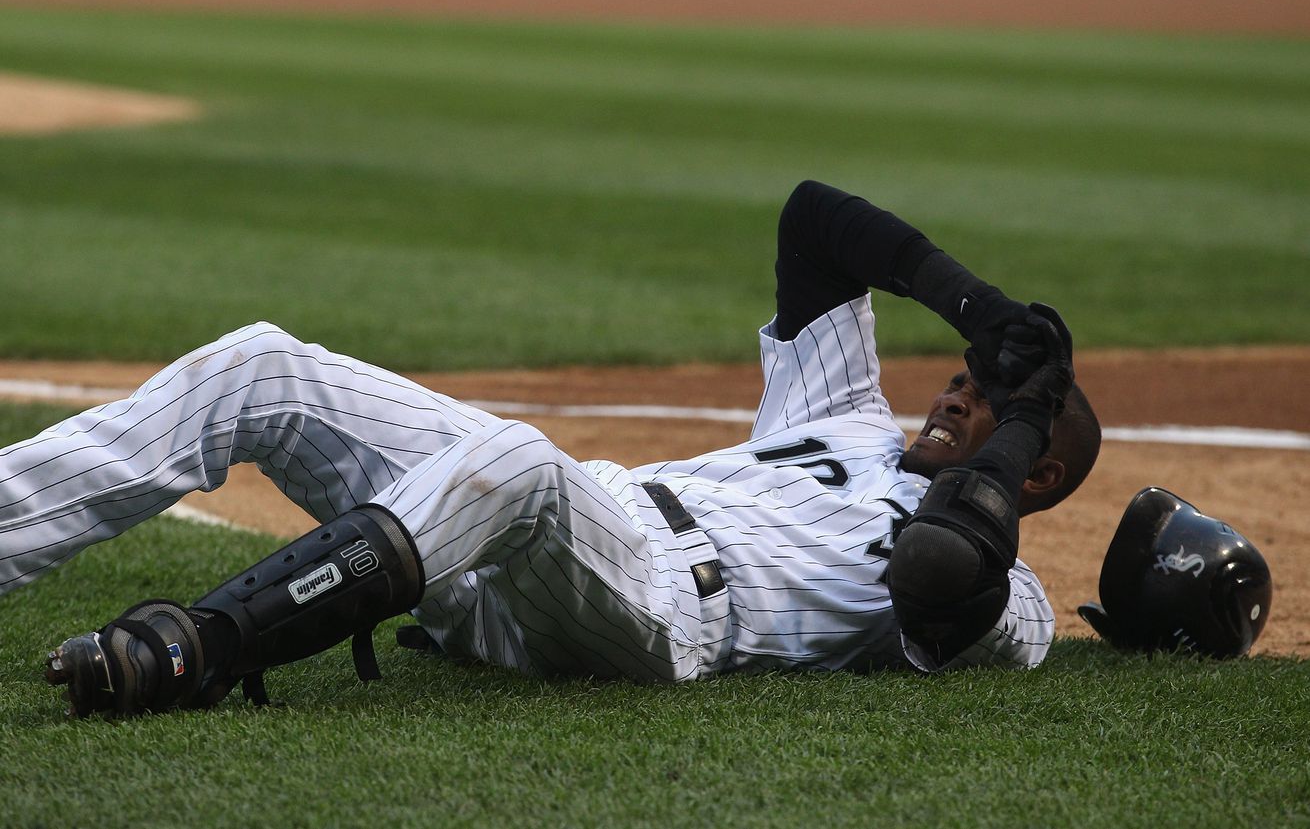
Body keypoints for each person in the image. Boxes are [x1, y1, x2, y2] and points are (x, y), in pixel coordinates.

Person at [13, 180, 1100, 719]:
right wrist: (982, 306)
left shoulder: (1016, 607)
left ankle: (198, 649)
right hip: (538, 539)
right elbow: (813, 218)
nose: (960, 394)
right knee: (263, 366)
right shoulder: (846, 416)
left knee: (523, 462)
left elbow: (935, 570)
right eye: (964, 376)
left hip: (652, 609)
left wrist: (1015, 424)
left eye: (995, 408)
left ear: (1036, 472)